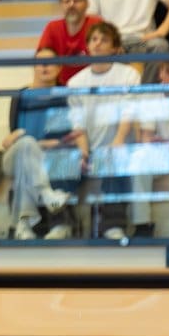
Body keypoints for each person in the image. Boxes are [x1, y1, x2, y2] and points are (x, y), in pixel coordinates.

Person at [66, 21, 146, 239]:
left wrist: (118, 141)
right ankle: (61, 224)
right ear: (87, 46)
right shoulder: (75, 82)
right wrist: (84, 151)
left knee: (114, 156)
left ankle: (112, 225)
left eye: (104, 40)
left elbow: (128, 112)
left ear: (115, 48)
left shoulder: (129, 75)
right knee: (62, 159)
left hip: (121, 145)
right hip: (91, 147)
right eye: (94, 39)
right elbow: (77, 123)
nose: (98, 43)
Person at [1, 51, 77, 240]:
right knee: (26, 147)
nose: (44, 67)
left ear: (59, 68)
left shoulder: (63, 96)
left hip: (42, 156)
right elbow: (14, 134)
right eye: (40, 62)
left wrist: (29, 140)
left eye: (50, 63)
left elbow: (63, 137)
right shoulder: (20, 95)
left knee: (29, 156)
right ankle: (48, 195)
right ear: (34, 66)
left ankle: (23, 225)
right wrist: (24, 140)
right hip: (17, 154)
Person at [36, 0, 102, 85]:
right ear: (61, 5)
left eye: (76, 1)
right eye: (67, 1)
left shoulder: (98, 25)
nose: (71, 5)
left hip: (92, 86)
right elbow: (41, 61)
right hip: (60, 87)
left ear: (87, 3)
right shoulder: (52, 27)